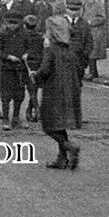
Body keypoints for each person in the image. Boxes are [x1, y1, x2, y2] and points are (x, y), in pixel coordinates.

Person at [31, 15, 80, 169]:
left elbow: (45, 70)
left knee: (48, 125)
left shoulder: (50, 49)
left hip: (53, 90)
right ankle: (62, 159)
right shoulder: (69, 48)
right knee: (60, 125)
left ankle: (68, 146)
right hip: (68, 91)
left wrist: (35, 75)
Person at [0, 11, 29, 131]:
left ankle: (16, 118)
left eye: (15, 23)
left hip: (20, 70)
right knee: (6, 95)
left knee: (19, 95)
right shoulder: (3, 35)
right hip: (7, 69)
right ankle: (5, 119)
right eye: (10, 23)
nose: (12, 26)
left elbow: (30, 49)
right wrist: (8, 57)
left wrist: (26, 54)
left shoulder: (24, 35)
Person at [80, 0, 107, 80]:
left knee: (93, 53)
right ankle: (92, 72)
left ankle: (93, 72)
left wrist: (91, 22)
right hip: (86, 33)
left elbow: (103, 18)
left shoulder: (97, 6)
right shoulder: (83, 6)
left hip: (95, 33)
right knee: (88, 52)